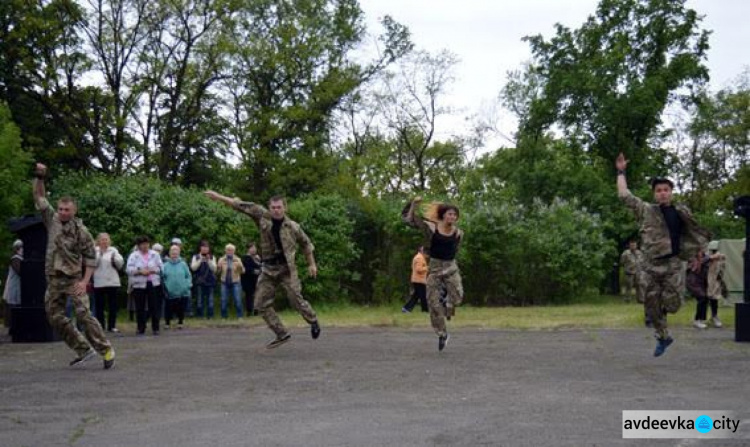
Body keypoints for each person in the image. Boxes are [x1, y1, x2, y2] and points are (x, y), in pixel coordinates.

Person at [615, 153, 711, 356]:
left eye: (666, 190)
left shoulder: (681, 212)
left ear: (672, 192)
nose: (662, 193)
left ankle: (666, 313)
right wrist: (621, 171)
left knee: (673, 304)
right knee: (651, 306)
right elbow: (624, 195)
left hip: (673, 265)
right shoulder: (646, 210)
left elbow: (695, 235)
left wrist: (697, 256)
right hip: (649, 266)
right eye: (658, 190)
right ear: (654, 194)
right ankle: (663, 336)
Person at [205, 191, 321, 349]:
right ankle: (281, 333)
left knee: (295, 299)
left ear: (285, 208)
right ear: (269, 207)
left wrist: (312, 264)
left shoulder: (293, 227)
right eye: (273, 207)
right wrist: (218, 197)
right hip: (268, 269)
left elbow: (306, 244)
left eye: (279, 207)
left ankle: (313, 320)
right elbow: (239, 204)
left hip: (287, 269)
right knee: (259, 304)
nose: (276, 210)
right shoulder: (261, 215)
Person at [32, 163, 115, 369]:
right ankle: (83, 349)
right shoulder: (52, 220)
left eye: (66, 209)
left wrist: (85, 281)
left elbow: (90, 257)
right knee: (55, 317)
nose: (62, 212)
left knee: (83, 315)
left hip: (73, 279)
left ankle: (106, 350)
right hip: (53, 279)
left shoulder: (82, 231)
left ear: (74, 210)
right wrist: (40, 177)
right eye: (60, 208)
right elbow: (40, 198)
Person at [403, 197, 464, 351]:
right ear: (443, 215)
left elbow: (455, 251)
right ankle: (442, 334)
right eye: (450, 214)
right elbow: (410, 220)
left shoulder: (458, 233)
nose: (452, 217)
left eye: (455, 215)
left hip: (451, 268)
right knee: (432, 303)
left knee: (457, 297)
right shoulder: (432, 227)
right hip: (435, 269)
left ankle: (447, 303)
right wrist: (414, 205)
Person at [126, 236, 164, 335]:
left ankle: (156, 327)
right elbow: (128, 270)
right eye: (142, 244)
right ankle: (140, 327)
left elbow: (161, 268)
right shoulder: (134, 256)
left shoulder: (155, 254)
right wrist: (139, 271)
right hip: (139, 284)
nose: (145, 246)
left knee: (154, 306)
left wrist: (153, 270)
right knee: (140, 306)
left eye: (146, 244)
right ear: (138, 246)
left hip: (153, 282)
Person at [93, 233, 124, 333]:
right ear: (98, 241)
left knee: (112, 306)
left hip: (112, 281)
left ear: (109, 241)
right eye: (102, 239)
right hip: (99, 282)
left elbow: (120, 264)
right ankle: (101, 325)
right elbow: (93, 264)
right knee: (99, 306)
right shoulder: (94, 250)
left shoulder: (113, 250)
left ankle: (112, 326)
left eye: (106, 239)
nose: (104, 241)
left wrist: (114, 258)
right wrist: (99, 254)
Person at [162, 245, 191, 329]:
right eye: (172, 251)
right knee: (168, 308)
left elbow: (188, 276)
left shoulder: (183, 264)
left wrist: (187, 285)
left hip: (183, 291)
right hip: (170, 291)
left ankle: (180, 322)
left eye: (176, 251)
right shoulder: (165, 265)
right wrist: (165, 288)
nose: (174, 253)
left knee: (181, 308)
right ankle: (167, 323)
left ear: (179, 253)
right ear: (169, 253)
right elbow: (162, 277)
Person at [217, 244, 245, 319]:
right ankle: (224, 317)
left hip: (235, 282)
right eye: (228, 250)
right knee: (223, 300)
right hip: (224, 282)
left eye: (231, 250)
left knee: (237, 299)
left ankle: (240, 316)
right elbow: (218, 272)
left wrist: (240, 266)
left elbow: (243, 271)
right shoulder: (221, 259)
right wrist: (219, 267)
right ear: (225, 251)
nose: (230, 251)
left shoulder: (238, 259)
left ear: (234, 251)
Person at [191, 240, 217, 319]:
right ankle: (200, 316)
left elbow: (214, 269)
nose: (205, 249)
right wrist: (200, 260)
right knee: (199, 300)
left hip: (210, 281)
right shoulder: (196, 257)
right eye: (203, 247)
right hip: (199, 281)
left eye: (207, 247)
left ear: (209, 248)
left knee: (210, 300)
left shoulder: (212, 257)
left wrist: (209, 260)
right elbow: (193, 268)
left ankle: (210, 316)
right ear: (200, 248)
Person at [3, 240, 23, 333]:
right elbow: (19, 271)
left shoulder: (19, 258)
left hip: (17, 286)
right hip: (13, 286)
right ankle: (13, 327)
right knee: (13, 306)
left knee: (16, 305)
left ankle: (15, 327)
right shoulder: (16, 259)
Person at [402, 246, 428, 313]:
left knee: (417, 295)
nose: (426, 253)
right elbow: (418, 269)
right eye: (424, 251)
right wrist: (427, 268)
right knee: (423, 296)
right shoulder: (419, 258)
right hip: (419, 280)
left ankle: (406, 308)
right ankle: (425, 310)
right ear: (421, 251)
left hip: (418, 280)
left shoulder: (419, 257)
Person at [241, 242, 261, 317]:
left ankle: (256, 310)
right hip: (248, 280)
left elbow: (261, 266)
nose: (254, 250)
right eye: (252, 248)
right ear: (248, 249)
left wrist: (259, 261)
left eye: (255, 248)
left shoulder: (257, 257)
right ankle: (249, 311)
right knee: (249, 296)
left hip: (256, 279)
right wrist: (254, 271)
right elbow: (245, 269)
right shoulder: (245, 258)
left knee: (257, 295)